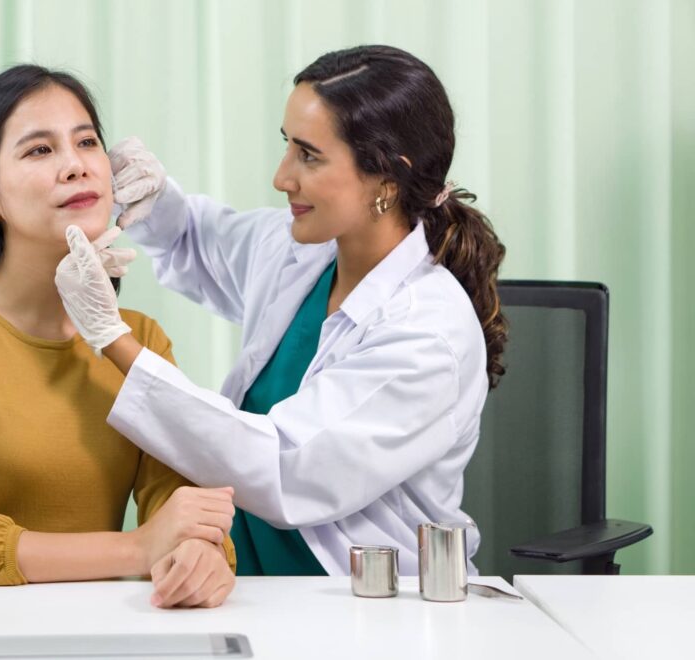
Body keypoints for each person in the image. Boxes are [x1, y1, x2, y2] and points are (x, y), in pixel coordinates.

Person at [54, 45, 507, 577]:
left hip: (361, 600)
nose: (282, 176)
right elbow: (200, 241)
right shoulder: (306, 250)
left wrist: (112, 337)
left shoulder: (428, 332)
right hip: (240, 578)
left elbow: (285, 468)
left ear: (387, 179)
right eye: (286, 146)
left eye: (308, 155)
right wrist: (152, 197)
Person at [0, 64, 236, 608]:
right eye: (40, 150)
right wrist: (136, 549)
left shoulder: (139, 340)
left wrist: (200, 558)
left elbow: (180, 508)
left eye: (87, 142)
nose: (76, 166)